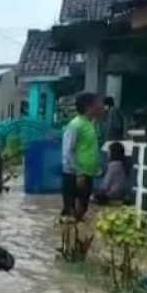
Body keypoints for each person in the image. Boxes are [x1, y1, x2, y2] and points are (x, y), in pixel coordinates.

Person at [61, 92, 104, 221]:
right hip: (75, 174)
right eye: (98, 104)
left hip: (87, 173)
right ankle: (66, 236)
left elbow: (88, 148)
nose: (101, 106)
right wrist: (78, 173)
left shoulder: (90, 124)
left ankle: (74, 236)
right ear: (88, 107)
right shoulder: (75, 125)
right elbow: (67, 150)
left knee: (82, 209)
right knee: (70, 211)